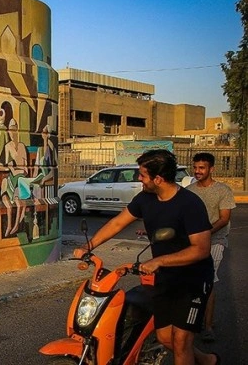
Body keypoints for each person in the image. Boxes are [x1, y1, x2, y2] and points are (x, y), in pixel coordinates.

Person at [73, 149, 219, 365]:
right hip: (166, 277)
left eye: (142, 175)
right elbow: (118, 222)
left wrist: (158, 260)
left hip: (193, 280)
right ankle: (206, 360)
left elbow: (201, 249)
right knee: (165, 337)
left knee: (181, 341)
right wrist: (89, 245)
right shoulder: (145, 199)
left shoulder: (190, 204)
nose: (139, 179)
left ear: (158, 179)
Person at [187, 152, 236, 343]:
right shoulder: (189, 191)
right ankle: (193, 321)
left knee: (208, 281)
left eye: (202, 168)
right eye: (195, 167)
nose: (197, 171)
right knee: (192, 282)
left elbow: (224, 219)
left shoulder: (223, 190)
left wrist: (205, 232)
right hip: (193, 243)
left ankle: (208, 326)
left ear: (211, 169)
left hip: (215, 241)